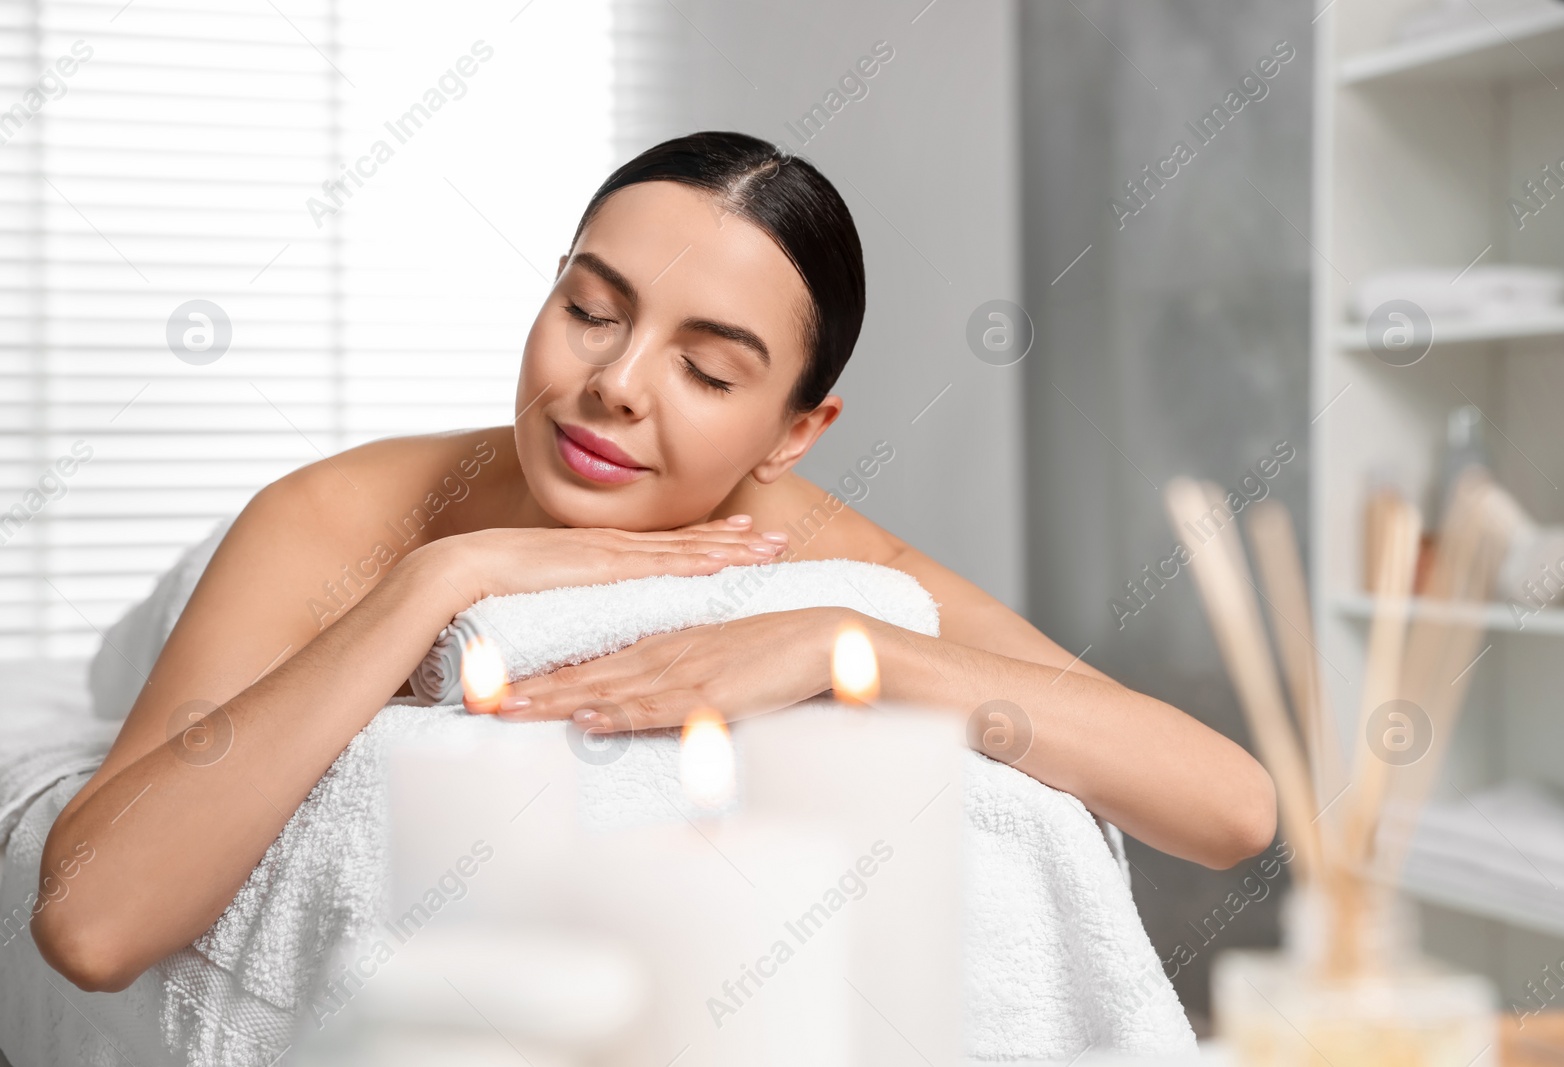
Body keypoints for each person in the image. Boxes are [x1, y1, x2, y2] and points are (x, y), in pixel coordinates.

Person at [33, 131, 1275, 992]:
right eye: (590, 307)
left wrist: (846, 646)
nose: (614, 384)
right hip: (162, 636)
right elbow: (92, 923)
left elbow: (1227, 805)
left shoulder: (807, 543)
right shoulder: (336, 514)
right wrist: (440, 579)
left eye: (710, 366)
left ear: (794, 432)